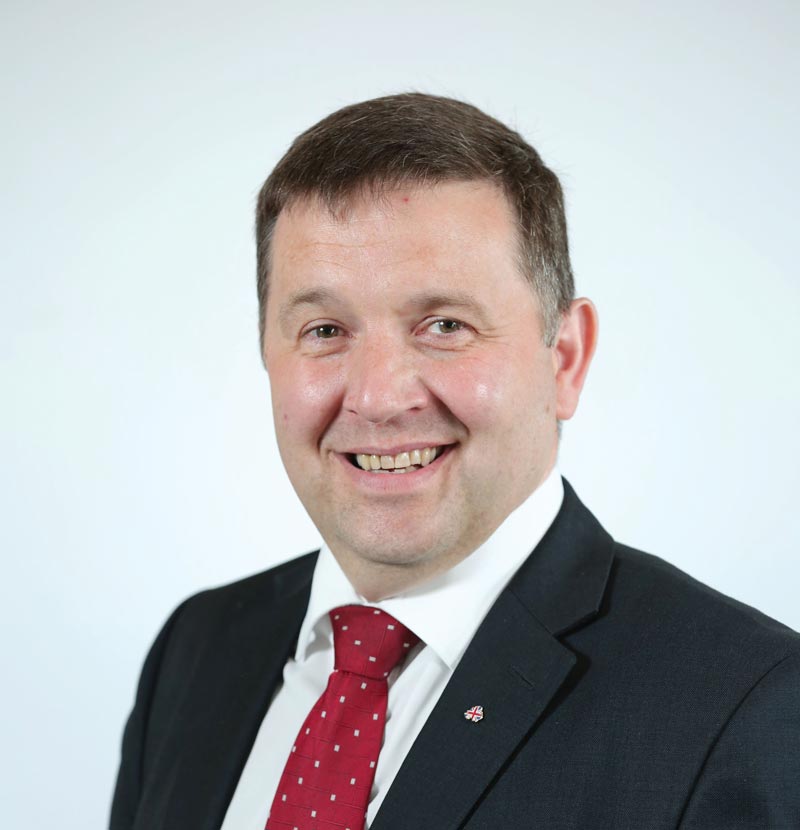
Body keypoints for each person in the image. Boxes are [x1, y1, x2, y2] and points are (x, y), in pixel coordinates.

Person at [110, 93, 800, 830]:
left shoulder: (746, 709)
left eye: (444, 325)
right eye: (325, 329)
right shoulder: (198, 649)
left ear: (565, 359)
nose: (377, 397)